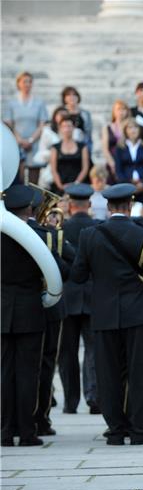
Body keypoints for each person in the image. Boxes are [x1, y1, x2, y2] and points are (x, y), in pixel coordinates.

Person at [70, 183, 143, 445]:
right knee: (139, 372)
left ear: (109, 206)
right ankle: (138, 429)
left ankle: (115, 430)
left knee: (107, 372)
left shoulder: (89, 235)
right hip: (139, 311)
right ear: (130, 205)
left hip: (103, 313)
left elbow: (78, 275)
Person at [1, 186, 52, 446]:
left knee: (4, 373)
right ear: (30, 210)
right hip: (30, 311)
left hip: (3, 311)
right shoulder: (39, 235)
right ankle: (27, 431)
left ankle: (5, 431)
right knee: (28, 374)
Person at [28, 187, 75, 437]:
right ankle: (41, 419)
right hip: (51, 308)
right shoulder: (51, 236)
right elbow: (70, 267)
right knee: (46, 364)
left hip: (21, 308)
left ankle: (18, 418)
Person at [59, 183, 100, 415]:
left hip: (68, 296)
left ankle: (70, 401)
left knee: (67, 352)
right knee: (94, 350)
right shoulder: (97, 227)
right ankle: (93, 396)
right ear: (90, 205)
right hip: (93, 295)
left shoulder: (61, 229)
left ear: (70, 205)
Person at [3, 72, 48, 184]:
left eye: (29, 81)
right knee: (19, 179)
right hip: (16, 144)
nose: (27, 84)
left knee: (33, 181)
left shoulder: (39, 102)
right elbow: (9, 123)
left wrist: (31, 140)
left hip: (34, 144)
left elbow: (42, 124)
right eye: (24, 81)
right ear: (18, 83)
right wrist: (19, 140)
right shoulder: (11, 103)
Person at [113, 118, 143, 208]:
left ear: (139, 130)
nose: (133, 130)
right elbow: (118, 169)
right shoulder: (120, 147)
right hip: (126, 185)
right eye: (130, 128)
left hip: (142, 185)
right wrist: (128, 184)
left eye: (135, 127)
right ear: (125, 130)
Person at [49, 117, 90, 193]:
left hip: (79, 185)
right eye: (64, 126)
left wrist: (76, 184)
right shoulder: (55, 148)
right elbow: (53, 170)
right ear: (60, 128)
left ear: (73, 127)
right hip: (60, 186)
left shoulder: (83, 147)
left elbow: (85, 168)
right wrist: (60, 186)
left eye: (69, 126)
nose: (67, 129)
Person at [101, 100, 130, 179]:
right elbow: (105, 149)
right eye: (118, 109)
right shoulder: (107, 128)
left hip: (127, 163)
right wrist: (113, 164)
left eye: (124, 109)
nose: (121, 112)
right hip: (111, 162)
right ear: (114, 111)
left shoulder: (130, 127)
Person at [61, 86, 93, 154]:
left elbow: (88, 133)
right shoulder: (61, 113)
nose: (72, 97)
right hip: (64, 147)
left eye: (74, 95)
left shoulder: (85, 114)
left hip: (82, 145)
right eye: (68, 95)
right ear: (64, 98)